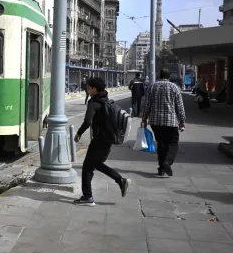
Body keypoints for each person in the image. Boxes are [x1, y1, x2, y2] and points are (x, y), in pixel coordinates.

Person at [73, 77, 131, 206]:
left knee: (87, 168)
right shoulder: (107, 101)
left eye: (88, 88)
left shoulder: (93, 102)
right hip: (108, 140)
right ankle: (120, 180)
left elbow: (88, 121)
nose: (87, 90)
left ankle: (88, 197)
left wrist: (79, 133)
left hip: (99, 140)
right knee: (97, 164)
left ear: (94, 89)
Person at [142, 69, 186, 177]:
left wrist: (144, 118)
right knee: (173, 142)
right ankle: (167, 162)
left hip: (155, 122)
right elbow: (179, 106)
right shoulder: (174, 87)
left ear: (159, 76)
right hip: (171, 121)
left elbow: (147, 105)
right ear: (169, 76)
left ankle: (161, 168)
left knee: (161, 144)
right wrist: (182, 121)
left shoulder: (152, 87)